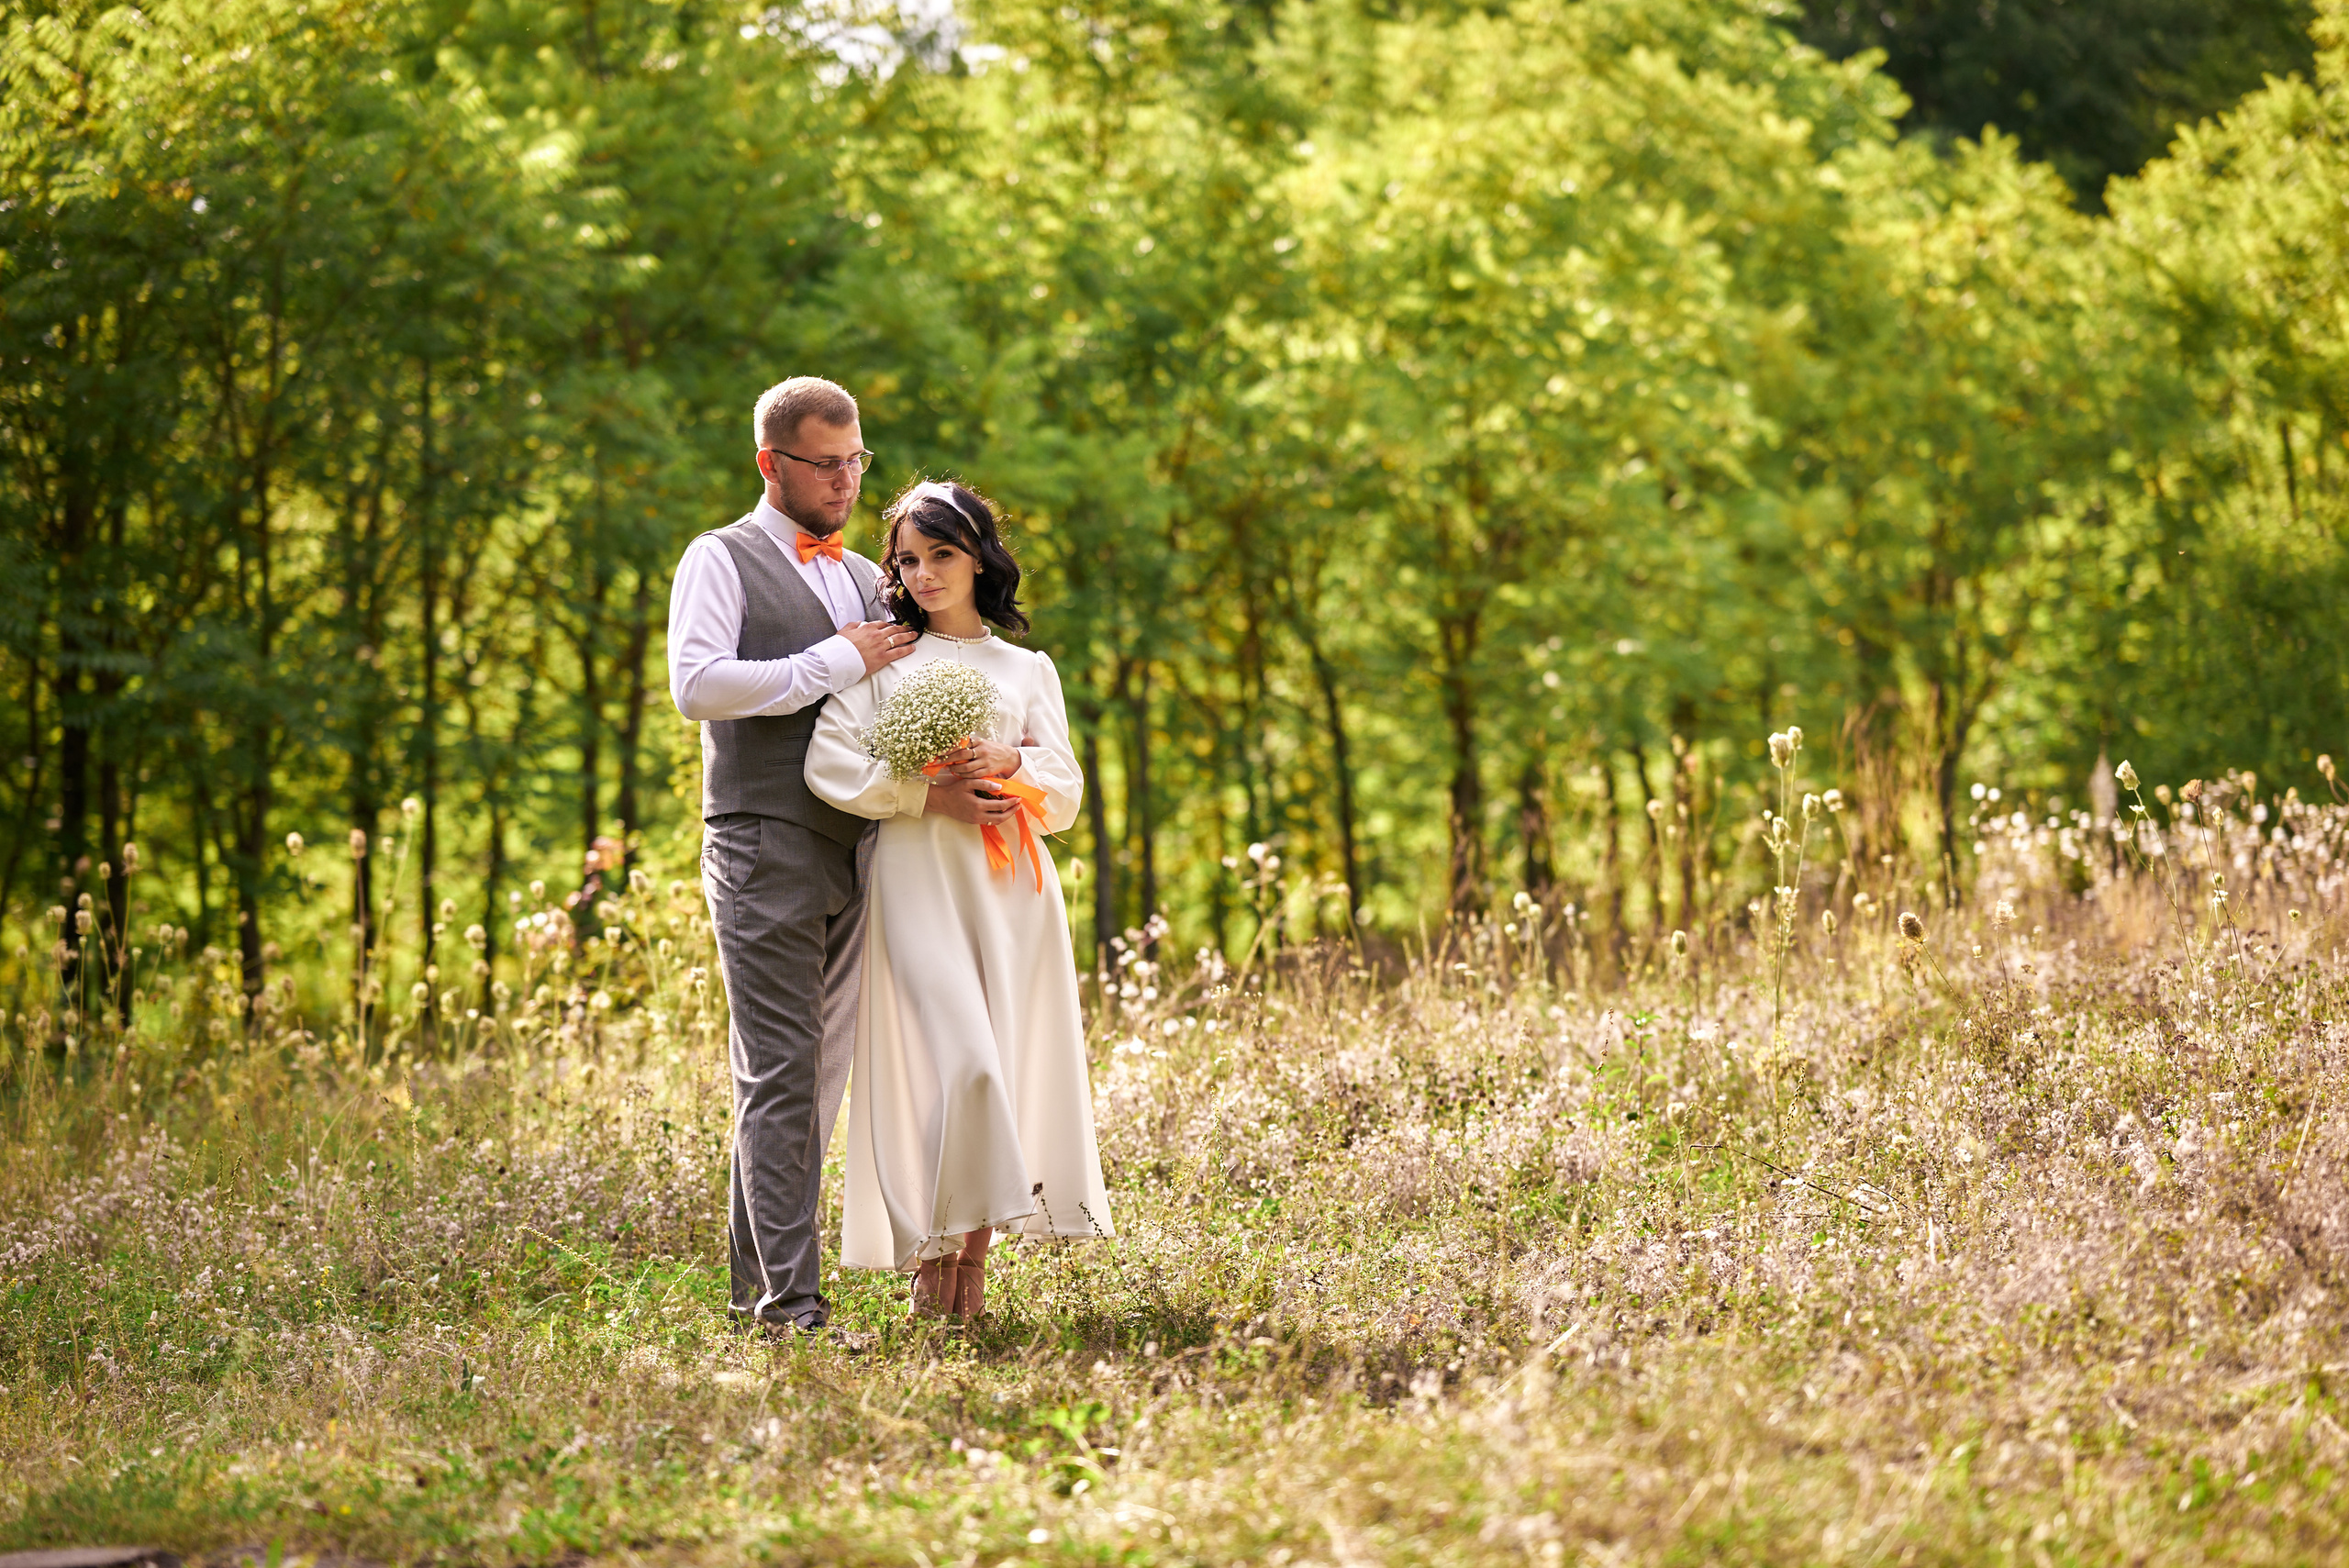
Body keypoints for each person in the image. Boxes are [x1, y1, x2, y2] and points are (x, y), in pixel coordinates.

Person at [667, 377, 1002, 1334]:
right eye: (825, 462)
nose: (846, 479)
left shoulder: (864, 574)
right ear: (772, 463)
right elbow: (696, 684)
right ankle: (792, 1314)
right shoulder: (719, 558)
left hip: (860, 849)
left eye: (856, 458)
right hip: (761, 837)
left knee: (810, 1081)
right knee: (780, 1071)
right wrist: (834, 660)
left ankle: (755, 1302)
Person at [805, 479, 1113, 1318]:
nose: (924, 573)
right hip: (914, 880)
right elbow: (827, 765)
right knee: (958, 1069)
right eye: (908, 558)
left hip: (1011, 892)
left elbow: (1068, 790)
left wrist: (1010, 765)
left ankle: (964, 1272)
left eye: (941, 554)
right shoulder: (883, 656)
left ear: (978, 556)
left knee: (1000, 1071)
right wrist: (922, 794)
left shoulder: (1027, 668)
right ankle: (927, 1253)